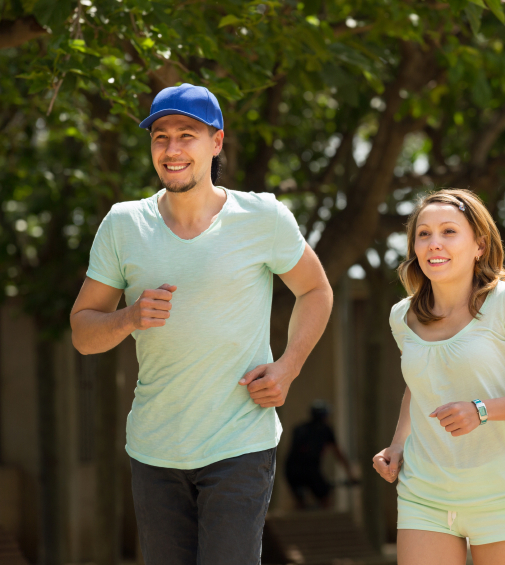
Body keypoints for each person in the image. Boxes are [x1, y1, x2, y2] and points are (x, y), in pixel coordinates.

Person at [69, 83, 333, 565]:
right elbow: (83, 333)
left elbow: (316, 290)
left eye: (186, 135)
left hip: (240, 444)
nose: (172, 149)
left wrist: (289, 366)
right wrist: (128, 317)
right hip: (154, 450)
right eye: (161, 137)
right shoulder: (124, 225)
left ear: (217, 142)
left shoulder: (263, 216)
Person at [372, 189, 505, 565]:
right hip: (423, 495)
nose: (434, 243)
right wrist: (397, 444)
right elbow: (421, 384)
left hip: (501, 496)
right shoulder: (402, 316)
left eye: (448, 231)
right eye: (423, 234)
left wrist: (481, 410)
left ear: (480, 245)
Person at [285, 400, 357, 509]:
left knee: (300, 503)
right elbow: (338, 453)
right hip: (310, 469)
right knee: (325, 499)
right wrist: (350, 474)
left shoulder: (299, 428)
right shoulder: (325, 430)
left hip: (291, 470)